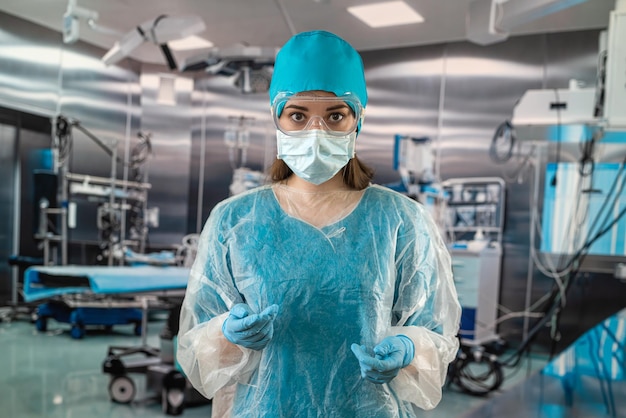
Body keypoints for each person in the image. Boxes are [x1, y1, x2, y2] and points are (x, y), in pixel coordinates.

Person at [177, 30, 461, 417]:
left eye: (335, 115)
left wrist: (409, 348)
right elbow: (197, 343)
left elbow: (435, 333)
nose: (316, 131)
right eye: (298, 115)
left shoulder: (400, 220)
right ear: (276, 118)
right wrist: (226, 333)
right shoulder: (235, 221)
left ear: (357, 119)